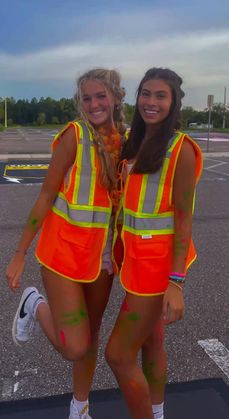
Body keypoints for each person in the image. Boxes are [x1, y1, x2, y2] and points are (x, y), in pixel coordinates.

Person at [6, 68, 126, 419]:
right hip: (61, 254)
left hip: (100, 260)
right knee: (76, 346)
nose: (93, 104)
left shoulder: (128, 141)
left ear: (116, 97)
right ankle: (35, 303)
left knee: (91, 335)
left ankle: (79, 407)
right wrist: (19, 253)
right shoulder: (74, 136)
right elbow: (45, 196)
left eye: (100, 96)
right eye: (86, 98)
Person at [106, 67, 203, 419]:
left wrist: (176, 283)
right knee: (151, 342)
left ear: (173, 101)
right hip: (135, 262)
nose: (151, 102)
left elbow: (183, 219)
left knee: (117, 355)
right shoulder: (134, 141)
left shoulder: (181, 150)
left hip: (157, 270)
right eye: (145, 94)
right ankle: (158, 412)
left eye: (160, 96)